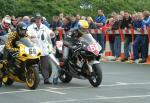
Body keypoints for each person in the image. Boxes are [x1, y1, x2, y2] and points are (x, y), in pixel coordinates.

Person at [27, 13, 57, 84]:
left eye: (39, 19)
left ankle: (46, 80)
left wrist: (52, 33)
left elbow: (50, 33)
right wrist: (30, 37)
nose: (38, 20)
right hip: (34, 49)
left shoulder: (44, 27)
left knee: (45, 66)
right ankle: (32, 79)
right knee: (33, 65)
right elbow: (27, 35)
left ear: (41, 20)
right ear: (35, 19)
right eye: (37, 19)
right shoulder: (30, 27)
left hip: (44, 49)